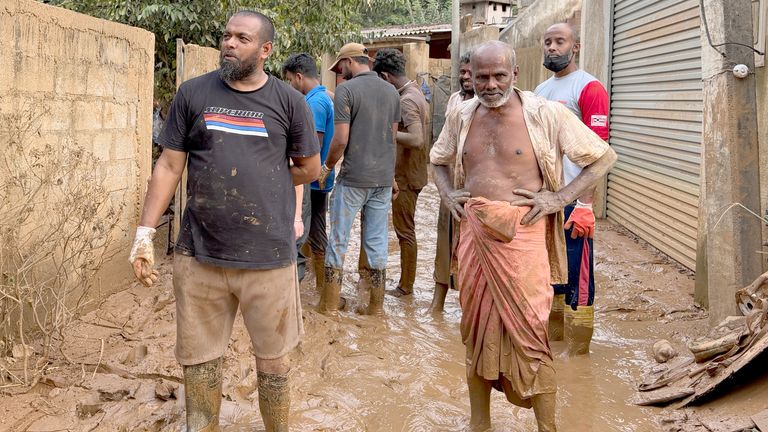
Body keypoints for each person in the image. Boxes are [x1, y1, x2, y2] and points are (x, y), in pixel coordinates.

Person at [127, 11, 319, 432]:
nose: (229, 43)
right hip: (199, 255)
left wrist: (265, 178)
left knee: (273, 361)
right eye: (227, 36)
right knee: (198, 361)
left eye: (242, 38)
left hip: (268, 257)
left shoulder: (290, 102)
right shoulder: (193, 94)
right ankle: (201, 425)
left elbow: (309, 167)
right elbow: (170, 164)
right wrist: (144, 233)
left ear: (265, 50)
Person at [430, 40, 616, 431]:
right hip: (475, 235)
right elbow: (438, 160)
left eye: (499, 75)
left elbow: (602, 157)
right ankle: (479, 423)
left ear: (515, 74)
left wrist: (561, 198)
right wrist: (447, 195)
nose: (491, 84)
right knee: (475, 330)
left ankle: (547, 427)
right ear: (470, 77)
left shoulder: (546, 114)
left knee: (532, 334)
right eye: (482, 77)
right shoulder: (461, 115)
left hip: (525, 237)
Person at [535, 22, 610, 355]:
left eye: (559, 41)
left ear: (575, 47)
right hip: (546, 198)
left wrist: (585, 205)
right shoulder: (539, 91)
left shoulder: (589, 88)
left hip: (572, 199)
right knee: (551, 268)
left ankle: (578, 350)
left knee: (579, 271)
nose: (552, 47)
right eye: (548, 42)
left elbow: (599, 153)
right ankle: (554, 339)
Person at [317, 42, 400, 316]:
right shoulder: (392, 91)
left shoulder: (346, 91)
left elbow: (340, 139)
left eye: (340, 67)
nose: (340, 73)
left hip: (353, 179)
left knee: (338, 239)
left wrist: (327, 166)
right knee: (377, 242)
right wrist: (393, 176)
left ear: (350, 62)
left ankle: (329, 304)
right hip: (382, 180)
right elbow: (392, 137)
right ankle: (375, 307)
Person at [362, 48, 430, 298]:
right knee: (405, 229)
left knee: (405, 231)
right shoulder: (415, 93)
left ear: (385, 77)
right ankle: (404, 283)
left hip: (406, 177)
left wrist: (385, 131)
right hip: (412, 173)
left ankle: (406, 287)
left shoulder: (407, 101)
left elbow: (416, 139)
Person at [282, 53, 335, 298]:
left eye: (291, 80)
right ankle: (322, 288)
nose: (291, 85)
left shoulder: (313, 103)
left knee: (304, 231)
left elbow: (309, 145)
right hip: (319, 178)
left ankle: (307, 289)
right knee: (315, 230)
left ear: (300, 77)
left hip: (311, 180)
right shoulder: (325, 97)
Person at [429, 50, 475, 314]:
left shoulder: (487, 103)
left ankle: (468, 309)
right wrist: (444, 188)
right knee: (444, 245)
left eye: (471, 73)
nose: (465, 77)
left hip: (476, 189)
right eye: (463, 72)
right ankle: (437, 306)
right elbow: (443, 147)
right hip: (451, 187)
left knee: (471, 250)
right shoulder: (455, 100)